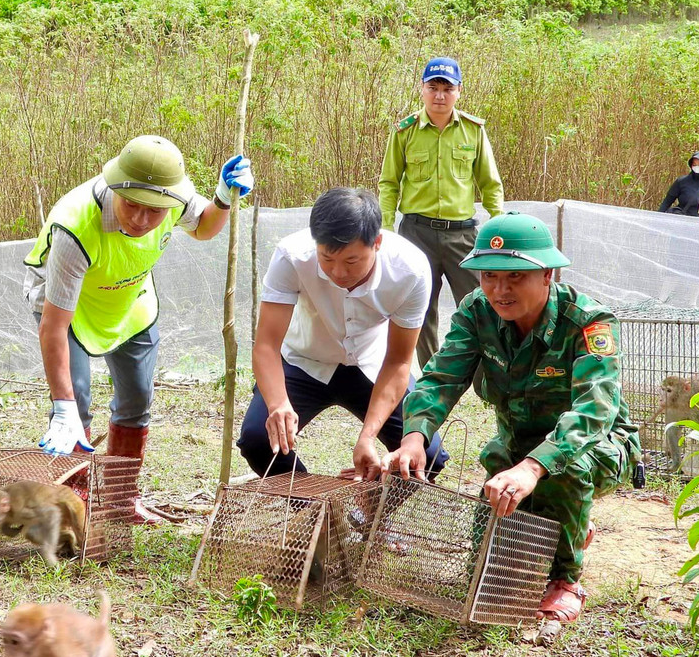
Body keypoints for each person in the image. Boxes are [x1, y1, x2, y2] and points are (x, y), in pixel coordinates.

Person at [382, 212, 640, 624]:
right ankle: (557, 527)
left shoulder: (588, 321)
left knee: (565, 472)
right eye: (488, 276)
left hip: (597, 445)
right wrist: (414, 436)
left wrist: (534, 467)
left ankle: (565, 580)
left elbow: (594, 411)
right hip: (517, 444)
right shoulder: (477, 311)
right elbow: (441, 378)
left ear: (547, 274)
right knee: (496, 547)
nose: (499, 290)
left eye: (514, 277)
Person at [24, 135, 251, 523]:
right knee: (75, 401)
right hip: (71, 311)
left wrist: (224, 196)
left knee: (138, 398)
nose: (142, 220)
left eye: (155, 212)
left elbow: (204, 228)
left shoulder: (173, 198)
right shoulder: (75, 226)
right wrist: (62, 407)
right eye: (132, 205)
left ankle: (119, 500)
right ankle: (75, 508)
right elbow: (53, 326)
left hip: (131, 302)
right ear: (115, 187)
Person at [237, 188, 449, 481]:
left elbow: (399, 361)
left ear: (377, 243)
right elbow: (266, 346)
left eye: (351, 261)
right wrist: (278, 404)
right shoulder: (291, 256)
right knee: (258, 440)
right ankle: (318, 512)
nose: (338, 272)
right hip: (304, 362)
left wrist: (367, 436)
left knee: (426, 454)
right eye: (326, 259)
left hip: (372, 365)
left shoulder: (410, 271)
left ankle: (369, 515)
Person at [378, 57, 504, 371]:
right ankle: (433, 377)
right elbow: (389, 182)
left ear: (459, 91)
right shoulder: (405, 131)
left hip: (461, 234)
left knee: (480, 305)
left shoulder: (473, 131)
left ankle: (487, 374)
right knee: (419, 309)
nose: (439, 96)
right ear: (422, 89)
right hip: (416, 233)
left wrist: (499, 221)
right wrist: (385, 228)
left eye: (447, 89)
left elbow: (490, 182)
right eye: (432, 87)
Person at [658, 151, 699, 216]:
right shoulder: (681, 181)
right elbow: (666, 203)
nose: (697, 167)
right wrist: (657, 218)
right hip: (681, 221)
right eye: (694, 165)